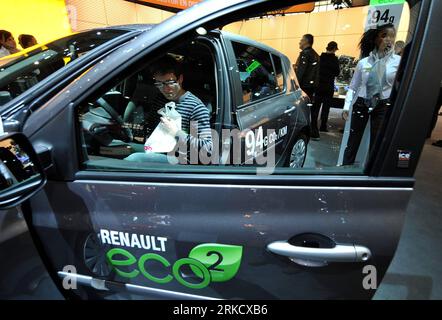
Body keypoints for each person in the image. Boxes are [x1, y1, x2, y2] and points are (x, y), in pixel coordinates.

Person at [125, 55, 212, 164]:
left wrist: (176, 132)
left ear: (180, 79)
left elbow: (208, 148)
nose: (165, 89)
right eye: (159, 84)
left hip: (180, 159)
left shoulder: (196, 107)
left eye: (170, 82)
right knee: (123, 148)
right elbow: (150, 128)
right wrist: (126, 128)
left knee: (135, 158)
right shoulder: (160, 99)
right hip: (157, 149)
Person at [341, 23, 400, 165]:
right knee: (353, 140)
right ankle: (344, 170)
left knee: (377, 142)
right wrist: (346, 106)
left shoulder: (398, 62)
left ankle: (371, 173)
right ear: (376, 39)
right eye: (384, 35)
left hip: (383, 105)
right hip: (362, 102)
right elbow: (353, 86)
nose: (389, 40)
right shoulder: (363, 63)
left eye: (392, 36)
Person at [311, 41, 340, 139]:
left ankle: (313, 125)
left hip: (319, 86)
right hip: (329, 87)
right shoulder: (335, 60)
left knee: (316, 107)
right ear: (334, 49)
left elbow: (315, 71)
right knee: (326, 108)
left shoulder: (320, 58)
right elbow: (337, 73)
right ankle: (323, 126)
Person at [294, 34, 320, 139]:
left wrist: (295, 86)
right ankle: (312, 132)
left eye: (301, 40)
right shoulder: (316, 55)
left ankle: (302, 132)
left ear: (306, 41)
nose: (299, 42)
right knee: (308, 110)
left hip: (303, 86)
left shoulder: (305, 54)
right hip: (311, 87)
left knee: (301, 110)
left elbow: (300, 72)